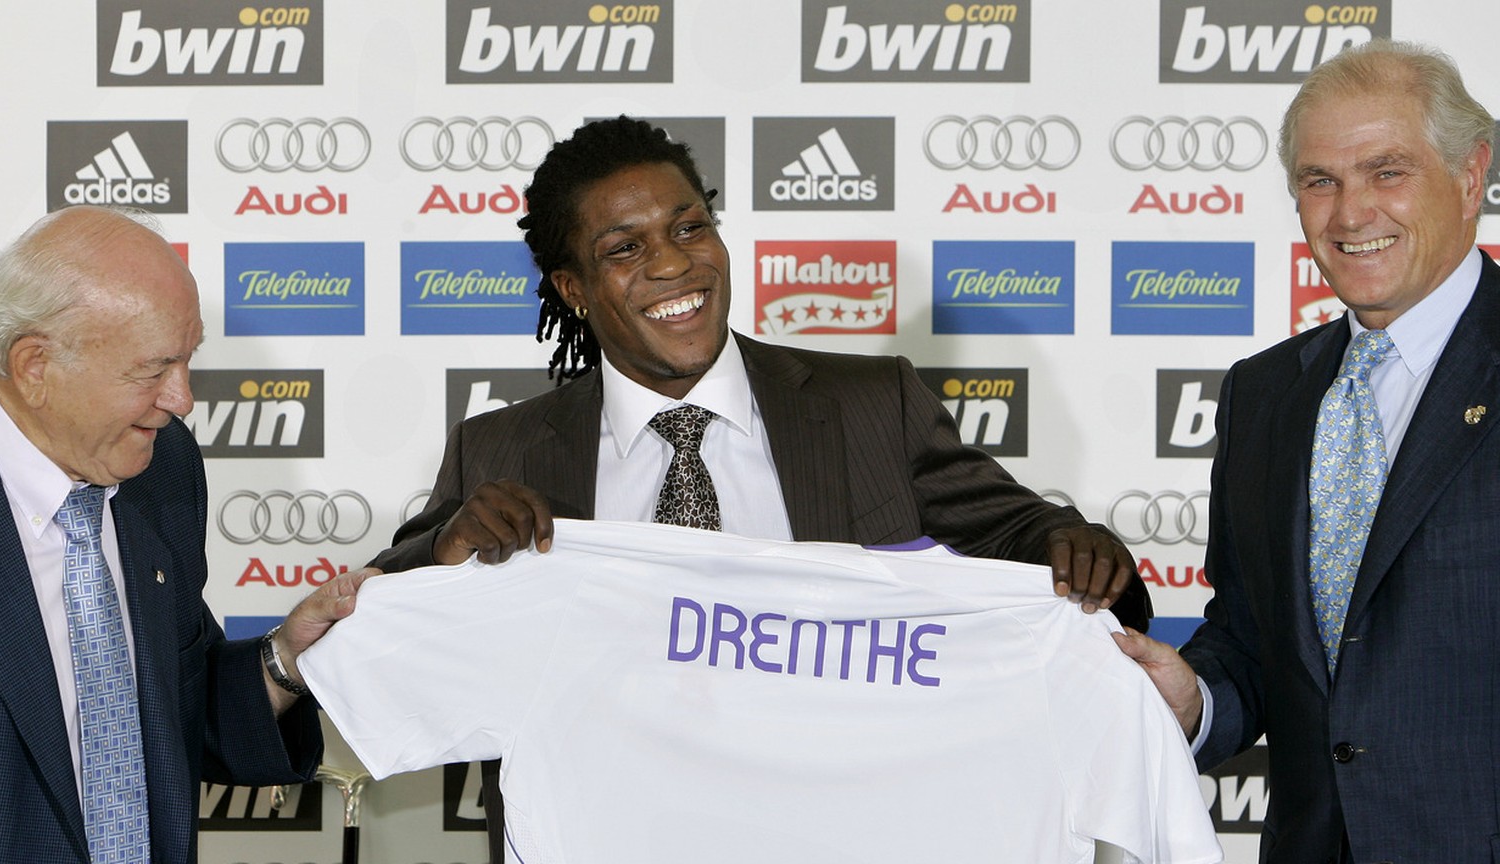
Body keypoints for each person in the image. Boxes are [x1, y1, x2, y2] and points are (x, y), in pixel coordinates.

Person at [371, 115, 1152, 860]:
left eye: (688, 228)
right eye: (624, 249)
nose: (673, 264)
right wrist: (444, 553)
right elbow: (375, 631)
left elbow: (1019, 537)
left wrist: (1068, 545)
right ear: (572, 288)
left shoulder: (871, 405)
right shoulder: (502, 448)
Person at [1115, 40, 1499, 862]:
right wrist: (1194, 700)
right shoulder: (1264, 394)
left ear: (1471, 177)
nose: (1350, 212)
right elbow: (1252, 637)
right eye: (1319, 181)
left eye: (1386, 171)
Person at [0, 205, 369, 863]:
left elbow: (160, 716)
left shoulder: (162, 465)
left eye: (186, 361)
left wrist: (284, 661)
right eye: (152, 370)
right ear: (35, 366)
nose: (181, 399)